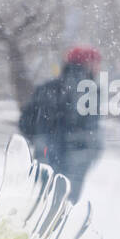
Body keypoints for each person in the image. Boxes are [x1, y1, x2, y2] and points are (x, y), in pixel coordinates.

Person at [18, 46, 103, 198]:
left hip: (44, 158)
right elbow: (88, 131)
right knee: (61, 209)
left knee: (39, 204)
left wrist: (41, 142)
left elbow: (25, 122)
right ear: (87, 64)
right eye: (96, 63)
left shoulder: (48, 87)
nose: (98, 68)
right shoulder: (88, 92)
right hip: (73, 164)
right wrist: (89, 152)